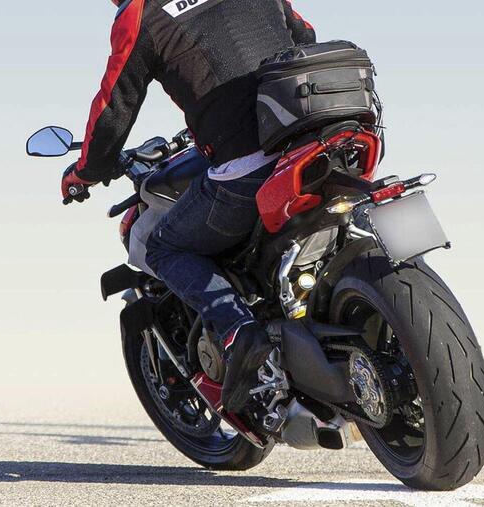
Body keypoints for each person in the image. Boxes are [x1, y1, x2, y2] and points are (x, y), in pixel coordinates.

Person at [61, 0, 316, 412]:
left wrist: (86, 172)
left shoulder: (140, 12)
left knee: (163, 246)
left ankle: (240, 332)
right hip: (320, 135)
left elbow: (116, 104)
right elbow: (303, 35)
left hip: (252, 161)